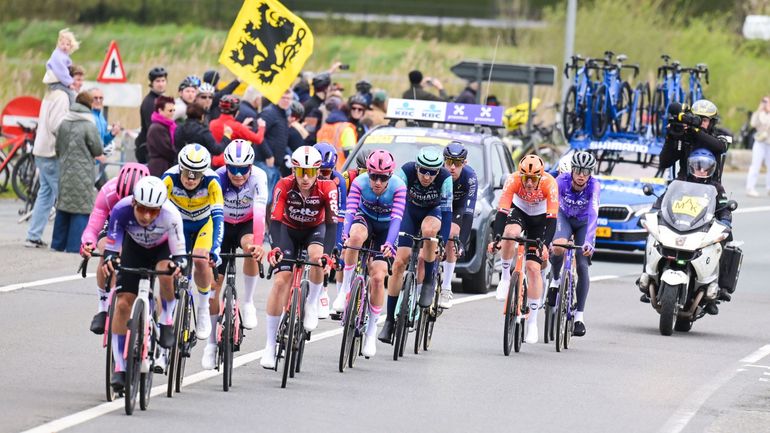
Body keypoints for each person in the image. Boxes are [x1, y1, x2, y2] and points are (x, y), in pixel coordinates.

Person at [102, 176, 186, 392]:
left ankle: (166, 320)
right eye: (142, 209)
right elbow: (112, 246)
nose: (147, 216)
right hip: (134, 249)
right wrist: (111, 258)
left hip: (162, 249)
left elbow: (180, 254)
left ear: (160, 208)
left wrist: (178, 265)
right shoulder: (121, 210)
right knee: (123, 304)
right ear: (134, 203)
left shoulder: (171, 215)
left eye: (153, 211)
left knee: (167, 272)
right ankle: (120, 367)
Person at [260, 146, 338, 369]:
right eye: (301, 172)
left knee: (316, 257)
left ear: (318, 172)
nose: (305, 178)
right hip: (288, 230)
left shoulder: (328, 187)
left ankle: (311, 303)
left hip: (315, 230)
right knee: (280, 281)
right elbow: (275, 221)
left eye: (310, 172)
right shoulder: (284, 184)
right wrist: (275, 248)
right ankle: (269, 346)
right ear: (294, 170)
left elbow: (332, 224)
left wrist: (327, 255)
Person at [200, 140, 269, 369]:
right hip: (221, 224)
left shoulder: (259, 177)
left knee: (251, 248)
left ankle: (248, 302)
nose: (238, 174)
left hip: (246, 223)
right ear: (226, 166)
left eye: (243, 169)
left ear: (251, 166)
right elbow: (210, 213)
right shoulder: (217, 178)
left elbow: (260, 212)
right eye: (233, 168)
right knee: (214, 286)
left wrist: (258, 243)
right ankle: (211, 344)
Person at [379, 148, 453, 343]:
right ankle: (389, 320)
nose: (427, 177)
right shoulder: (406, 171)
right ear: (417, 167)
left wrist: (443, 240)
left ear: (438, 171)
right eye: (423, 171)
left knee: (429, 232)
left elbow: (447, 213)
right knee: (398, 263)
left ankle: (427, 281)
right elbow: (394, 204)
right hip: (409, 212)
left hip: (433, 211)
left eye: (432, 172)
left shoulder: (445, 178)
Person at [338, 150, 406, 356]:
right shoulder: (359, 182)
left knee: (377, 277)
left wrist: (389, 244)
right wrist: (345, 233)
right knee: (354, 237)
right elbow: (350, 211)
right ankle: (344, 290)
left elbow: (397, 219)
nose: (377, 182)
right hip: (365, 219)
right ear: (367, 173)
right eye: (373, 176)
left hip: (386, 229)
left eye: (383, 178)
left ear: (390, 176)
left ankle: (371, 331)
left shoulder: (398, 187)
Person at [491, 154, 558, 345]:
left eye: (533, 179)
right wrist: (497, 239)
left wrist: (544, 245)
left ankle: (533, 323)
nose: (528, 183)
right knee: (510, 233)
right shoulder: (512, 180)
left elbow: (552, 220)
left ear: (540, 177)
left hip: (541, 218)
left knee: (533, 268)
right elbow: (502, 212)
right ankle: (505, 278)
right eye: (525, 178)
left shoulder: (550, 183)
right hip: (520, 211)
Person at [162, 144, 225, 341]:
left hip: (203, 225)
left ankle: (203, 308)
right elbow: (158, 212)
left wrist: (215, 248)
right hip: (178, 224)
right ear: (180, 168)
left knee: (200, 259)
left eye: (196, 174)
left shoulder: (212, 181)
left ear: (203, 172)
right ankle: (168, 313)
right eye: (187, 172)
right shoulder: (169, 178)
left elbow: (218, 218)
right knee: (171, 266)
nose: (190, 178)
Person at [81, 163, 149, 335]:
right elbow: (93, 227)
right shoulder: (108, 191)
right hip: (114, 223)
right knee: (106, 250)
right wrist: (88, 243)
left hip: (141, 223)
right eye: (122, 198)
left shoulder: (153, 192)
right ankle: (103, 308)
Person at [25, 64, 84, 249]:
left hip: (42, 150)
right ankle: (66, 240)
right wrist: (72, 136)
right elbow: (57, 125)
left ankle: (33, 235)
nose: (79, 83)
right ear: (66, 79)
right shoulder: (62, 97)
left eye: (81, 79)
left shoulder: (52, 94)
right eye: (76, 79)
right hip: (52, 152)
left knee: (46, 195)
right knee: (64, 197)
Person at [547, 151, 600, 337]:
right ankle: (555, 281)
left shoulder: (594, 186)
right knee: (559, 246)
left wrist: (589, 242)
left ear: (590, 173)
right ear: (572, 170)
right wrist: (549, 237)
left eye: (586, 172)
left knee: (583, 264)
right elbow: (552, 208)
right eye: (578, 170)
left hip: (584, 223)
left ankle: (579, 316)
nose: (581, 175)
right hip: (564, 217)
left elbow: (594, 213)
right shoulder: (561, 181)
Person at [52, 91, 106, 253]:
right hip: (83, 172)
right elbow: (97, 149)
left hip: (65, 170)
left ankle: (57, 244)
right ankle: (74, 246)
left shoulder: (64, 122)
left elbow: (57, 148)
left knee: (63, 205)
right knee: (81, 207)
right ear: (89, 104)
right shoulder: (88, 124)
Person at [439, 142, 478, 309]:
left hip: (458, 208)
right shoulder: (437, 172)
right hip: (439, 205)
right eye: (449, 162)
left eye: (457, 163)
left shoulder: (470, 177)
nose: (452, 167)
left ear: (465, 163)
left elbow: (468, 213)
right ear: (443, 161)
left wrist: (461, 242)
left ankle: (446, 287)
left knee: (452, 235)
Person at [313, 142, 347, 318]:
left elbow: (340, 215)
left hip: (328, 218)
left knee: (326, 254)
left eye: (325, 172)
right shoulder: (304, 177)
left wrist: (337, 245)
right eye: (317, 171)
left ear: (333, 169)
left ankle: (323, 290)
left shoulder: (338, 181)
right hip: (308, 216)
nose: (320, 175)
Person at [659, 100, 727, 179]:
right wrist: (671, 138)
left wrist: (695, 131)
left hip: (710, 184)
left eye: (704, 120)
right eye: (697, 119)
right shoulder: (685, 137)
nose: (700, 123)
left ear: (711, 123)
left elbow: (721, 147)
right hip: (684, 183)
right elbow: (664, 163)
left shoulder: (716, 137)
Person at [90, 87, 121, 188]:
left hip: (97, 163)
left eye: (101, 98)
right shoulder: (88, 116)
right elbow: (82, 141)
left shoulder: (101, 117)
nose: (98, 101)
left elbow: (102, 141)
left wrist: (112, 134)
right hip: (87, 163)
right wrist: (94, 156)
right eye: (95, 98)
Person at [136, 66, 167, 163]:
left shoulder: (161, 99)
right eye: (157, 81)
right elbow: (152, 129)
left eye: (163, 81)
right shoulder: (150, 102)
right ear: (152, 83)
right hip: (148, 149)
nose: (161, 84)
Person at [259, 89, 292, 180]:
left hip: (275, 164)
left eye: (289, 98)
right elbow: (259, 136)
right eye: (283, 97)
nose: (286, 100)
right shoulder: (269, 113)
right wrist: (268, 155)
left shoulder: (282, 114)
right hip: (264, 162)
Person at [316, 96, 357, 169]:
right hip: (341, 171)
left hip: (322, 171)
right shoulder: (346, 129)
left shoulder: (323, 128)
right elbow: (351, 156)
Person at [42, 28, 79, 105]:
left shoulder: (63, 55)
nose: (65, 46)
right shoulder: (58, 56)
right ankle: (73, 108)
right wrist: (69, 83)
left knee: (72, 93)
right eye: (62, 44)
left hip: (59, 81)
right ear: (58, 44)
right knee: (71, 94)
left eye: (67, 44)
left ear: (71, 46)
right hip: (55, 83)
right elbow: (61, 71)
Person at [146, 95, 178, 176]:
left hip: (164, 165)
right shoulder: (157, 128)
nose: (173, 113)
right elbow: (167, 150)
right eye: (170, 111)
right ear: (160, 110)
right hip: (159, 168)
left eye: (174, 110)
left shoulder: (168, 126)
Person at [746, 95, 770, 197]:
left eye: (767, 101)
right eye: (764, 101)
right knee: (755, 165)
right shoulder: (759, 114)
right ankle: (750, 188)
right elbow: (753, 123)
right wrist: (759, 110)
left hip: (769, 142)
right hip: (760, 142)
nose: (765, 103)